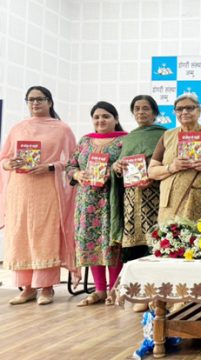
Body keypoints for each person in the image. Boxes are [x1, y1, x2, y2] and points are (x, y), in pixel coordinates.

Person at [0, 86, 78, 306]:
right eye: (30, 100)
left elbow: (73, 161)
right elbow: (3, 158)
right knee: (21, 234)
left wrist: (51, 167)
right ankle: (26, 288)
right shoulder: (18, 128)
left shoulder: (62, 129)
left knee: (44, 234)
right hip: (20, 189)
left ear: (50, 102)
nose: (35, 103)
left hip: (47, 189)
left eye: (40, 99)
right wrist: (9, 163)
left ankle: (46, 287)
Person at [67, 101, 127, 307]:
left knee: (111, 243)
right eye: (96, 117)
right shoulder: (85, 140)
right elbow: (70, 165)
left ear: (116, 119)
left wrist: (114, 169)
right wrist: (76, 173)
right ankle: (99, 290)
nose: (100, 120)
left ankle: (115, 289)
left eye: (106, 116)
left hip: (112, 199)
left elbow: (132, 167)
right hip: (87, 201)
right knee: (91, 242)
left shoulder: (124, 141)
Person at [110, 95, 166, 312]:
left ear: (155, 112)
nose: (141, 113)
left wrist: (152, 173)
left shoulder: (163, 135)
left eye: (146, 109)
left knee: (156, 243)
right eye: (137, 109)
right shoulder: (129, 138)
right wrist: (117, 167)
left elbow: (166, 162)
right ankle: (140, 294)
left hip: (155, 194)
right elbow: (121, 162)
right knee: (135, 245)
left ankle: (158, 295)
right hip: (132, 199)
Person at [148, 93, 201, 223]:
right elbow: (151, 171)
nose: (184, 112)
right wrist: (171, 167)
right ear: (175, 112)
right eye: (179, 109)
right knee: (174, 241)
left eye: (190, 108)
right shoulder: (167, 136)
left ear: (199, 110)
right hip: (173, 205)